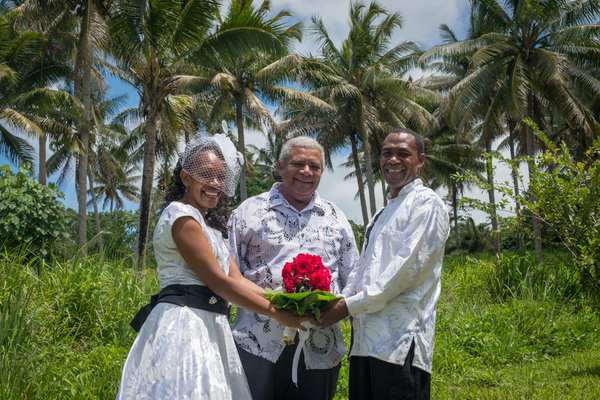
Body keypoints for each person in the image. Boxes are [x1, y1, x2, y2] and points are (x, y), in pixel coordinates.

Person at [116, 134, 309, 400]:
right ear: (186, 178)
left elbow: (238, 280)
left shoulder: (211, 229)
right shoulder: (181, 216)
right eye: (207, 175)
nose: (216, 185)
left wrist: (287, 302)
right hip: (185, 325)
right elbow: (219, 283)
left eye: (221, 177)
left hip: (212, 326)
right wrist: (277, 313)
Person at [319, 128, 450, 400]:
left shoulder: (427, 204)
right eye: (387, 153)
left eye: (403, 154)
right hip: (364, 341)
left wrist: (347, 306)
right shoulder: (382, 212)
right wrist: (336, 301)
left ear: (421, 160)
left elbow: (404, 272)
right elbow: (361, 268)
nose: (393, 160)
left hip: (399, 341)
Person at [227, 136, 360, 400]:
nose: (306, 172)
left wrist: (340, 309)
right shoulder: (248, 211)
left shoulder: (336, 217)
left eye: (315, 166)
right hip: (257, 343)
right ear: (280, 166)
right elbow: (226, 276)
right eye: (298, 164)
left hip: (320, 346)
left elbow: (353, 276)